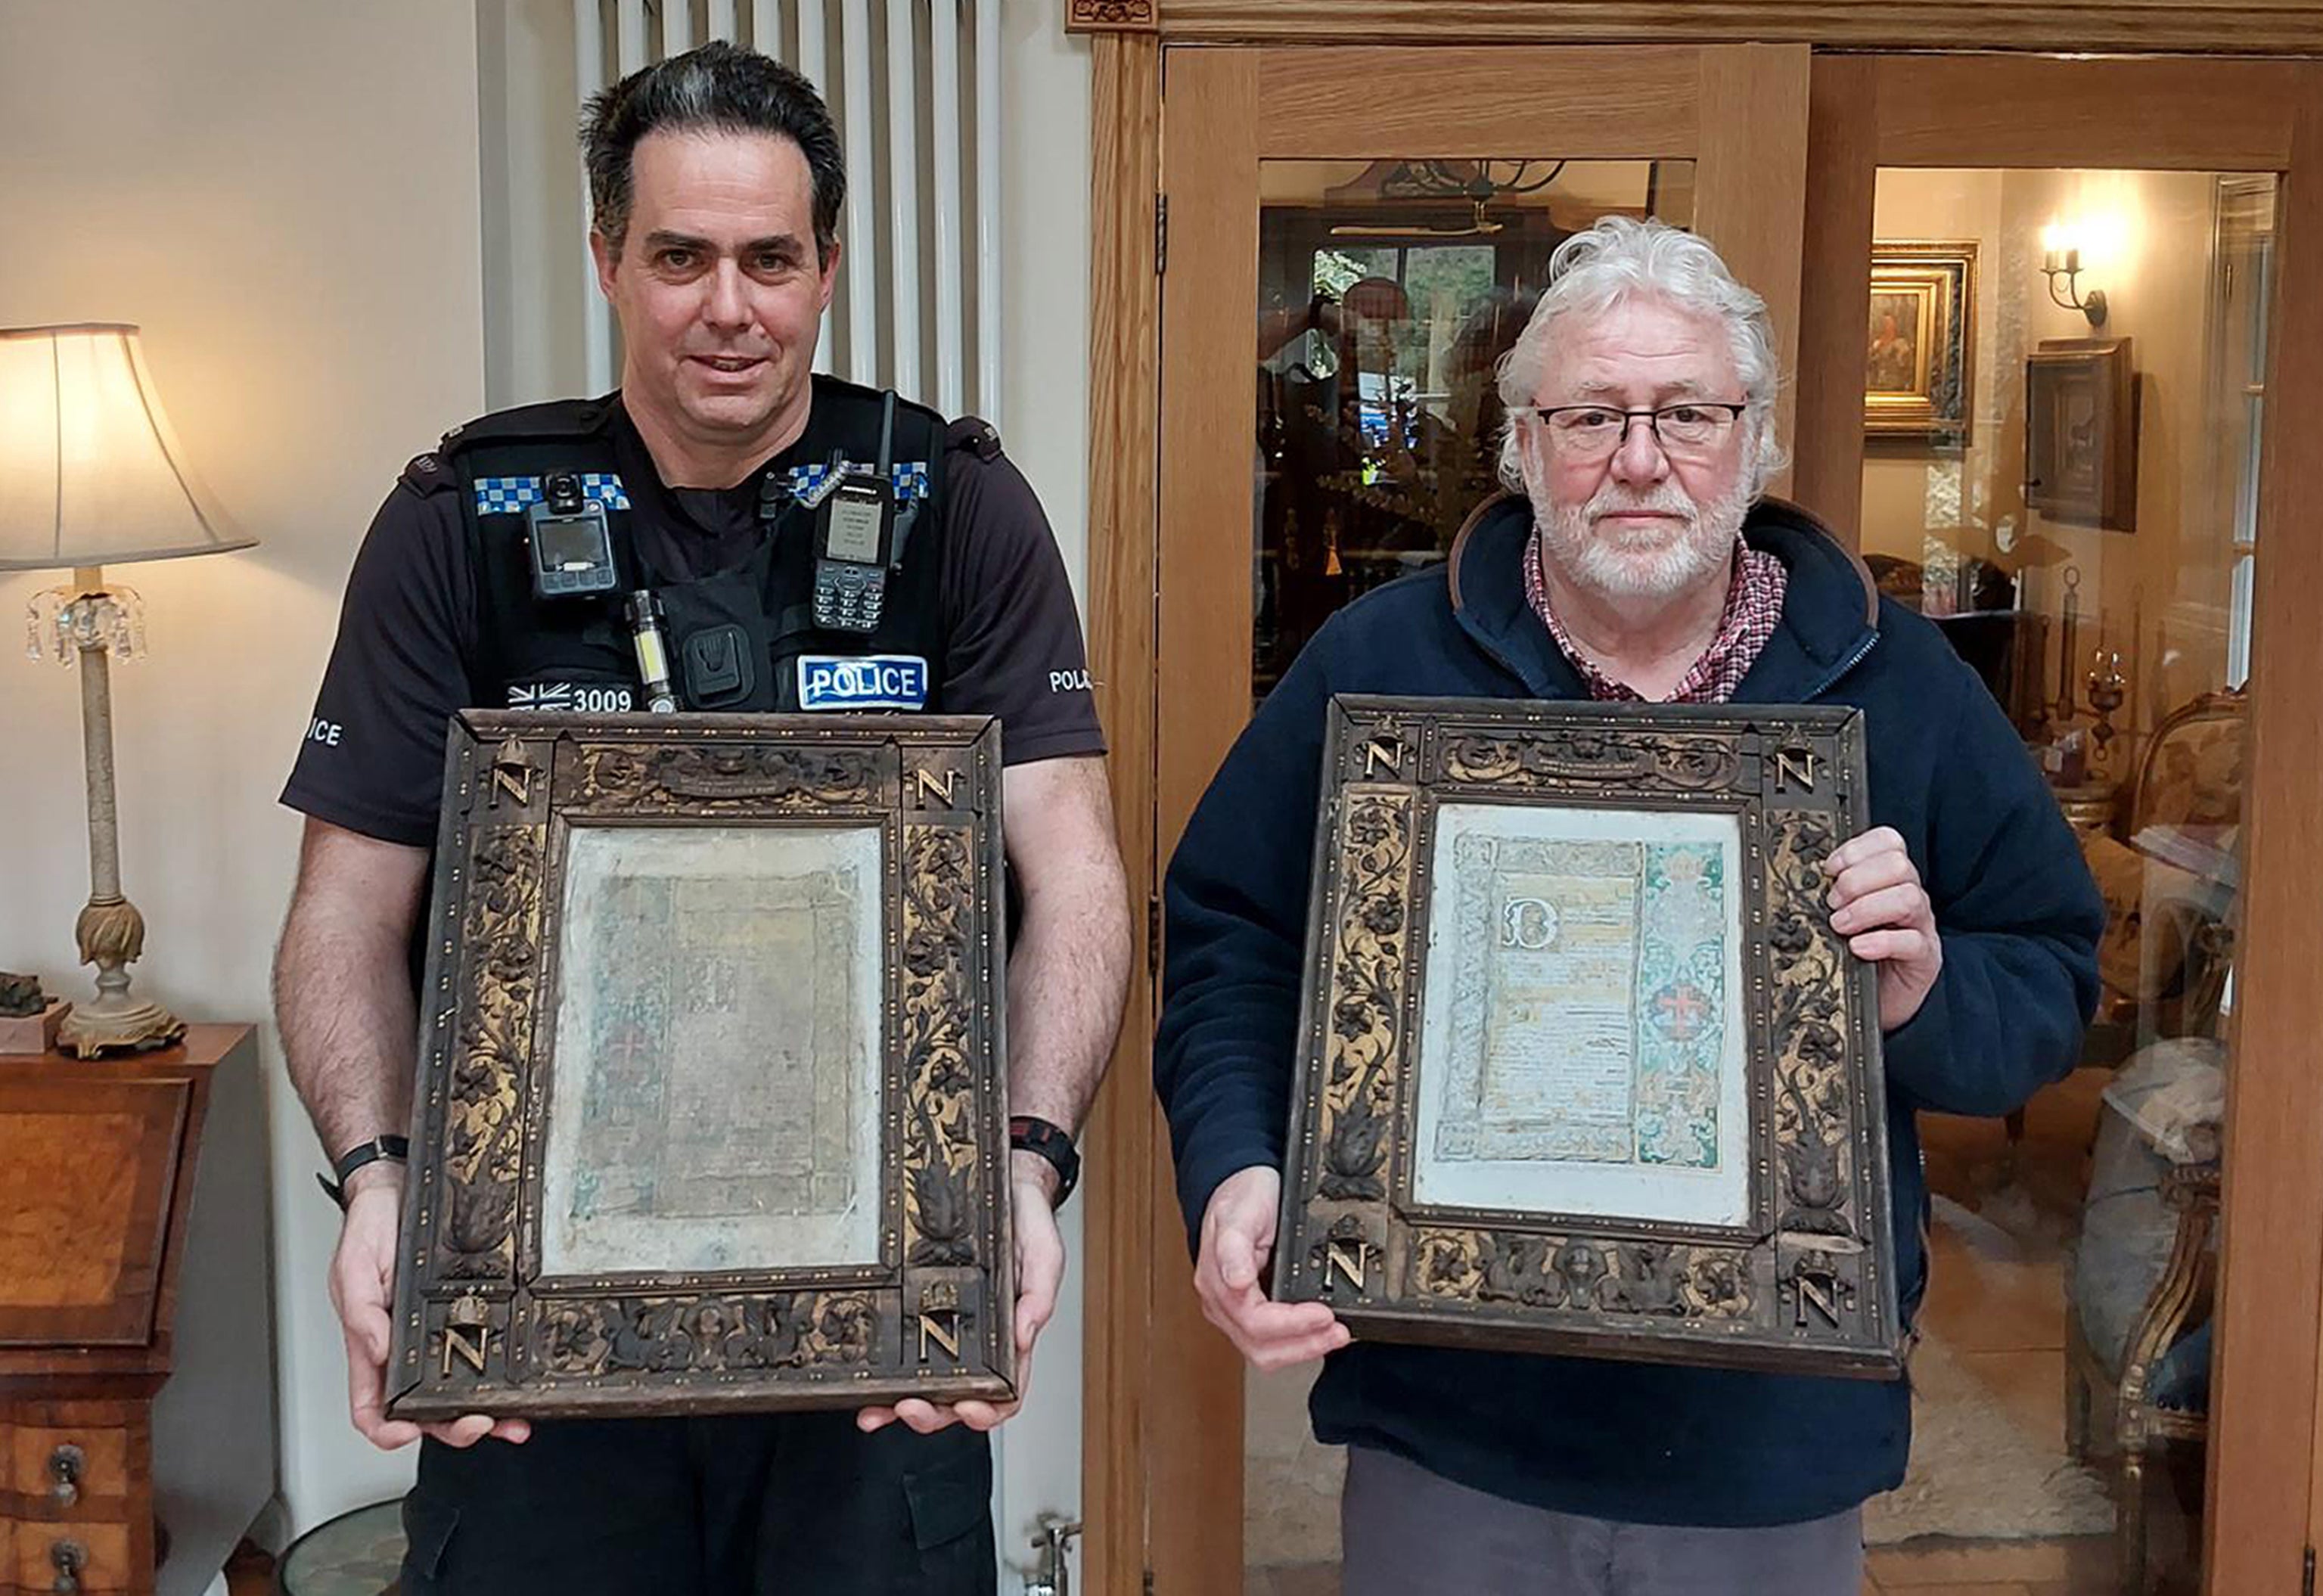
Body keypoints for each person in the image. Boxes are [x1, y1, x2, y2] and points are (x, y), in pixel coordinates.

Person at [274, 42, 1129, 1596]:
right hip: (533, 1332)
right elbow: (343, 911)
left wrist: (1022, 1163)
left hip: (878, 1327)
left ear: (828, 267)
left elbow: (1069, 870)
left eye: (768, 258)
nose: (727, 306)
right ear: (608, 257)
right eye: (679, 257)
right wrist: (382, 1179)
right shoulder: (461, 519)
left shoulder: (958, 509)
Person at [1154, 217, 2101, 1596]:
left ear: (1756, 437)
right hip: (1456, 1429)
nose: (1641, 458)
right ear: (1523, 444)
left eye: (1689, 413)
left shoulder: (1897, 683)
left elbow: (2054, 971)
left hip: (1767, 1444)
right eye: (1592, 414)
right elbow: (1235, 932)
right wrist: (1239, 1162)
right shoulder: (1384, 666)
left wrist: (1923, 996)